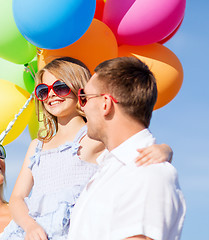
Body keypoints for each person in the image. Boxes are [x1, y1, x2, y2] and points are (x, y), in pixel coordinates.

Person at [2, 57, 174, 240]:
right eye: (43, 91)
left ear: (79, 89)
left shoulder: (92, 136)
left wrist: (165, 150)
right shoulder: (37, 145)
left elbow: (131, 145)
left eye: (60, 87)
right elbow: (17, 198)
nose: (51, 95)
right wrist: (30, 226)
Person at [68, 57, 186, 239]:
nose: (81, 106)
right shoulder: (111, 170)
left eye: (85, 97)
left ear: (105, 104)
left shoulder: (146, 174)